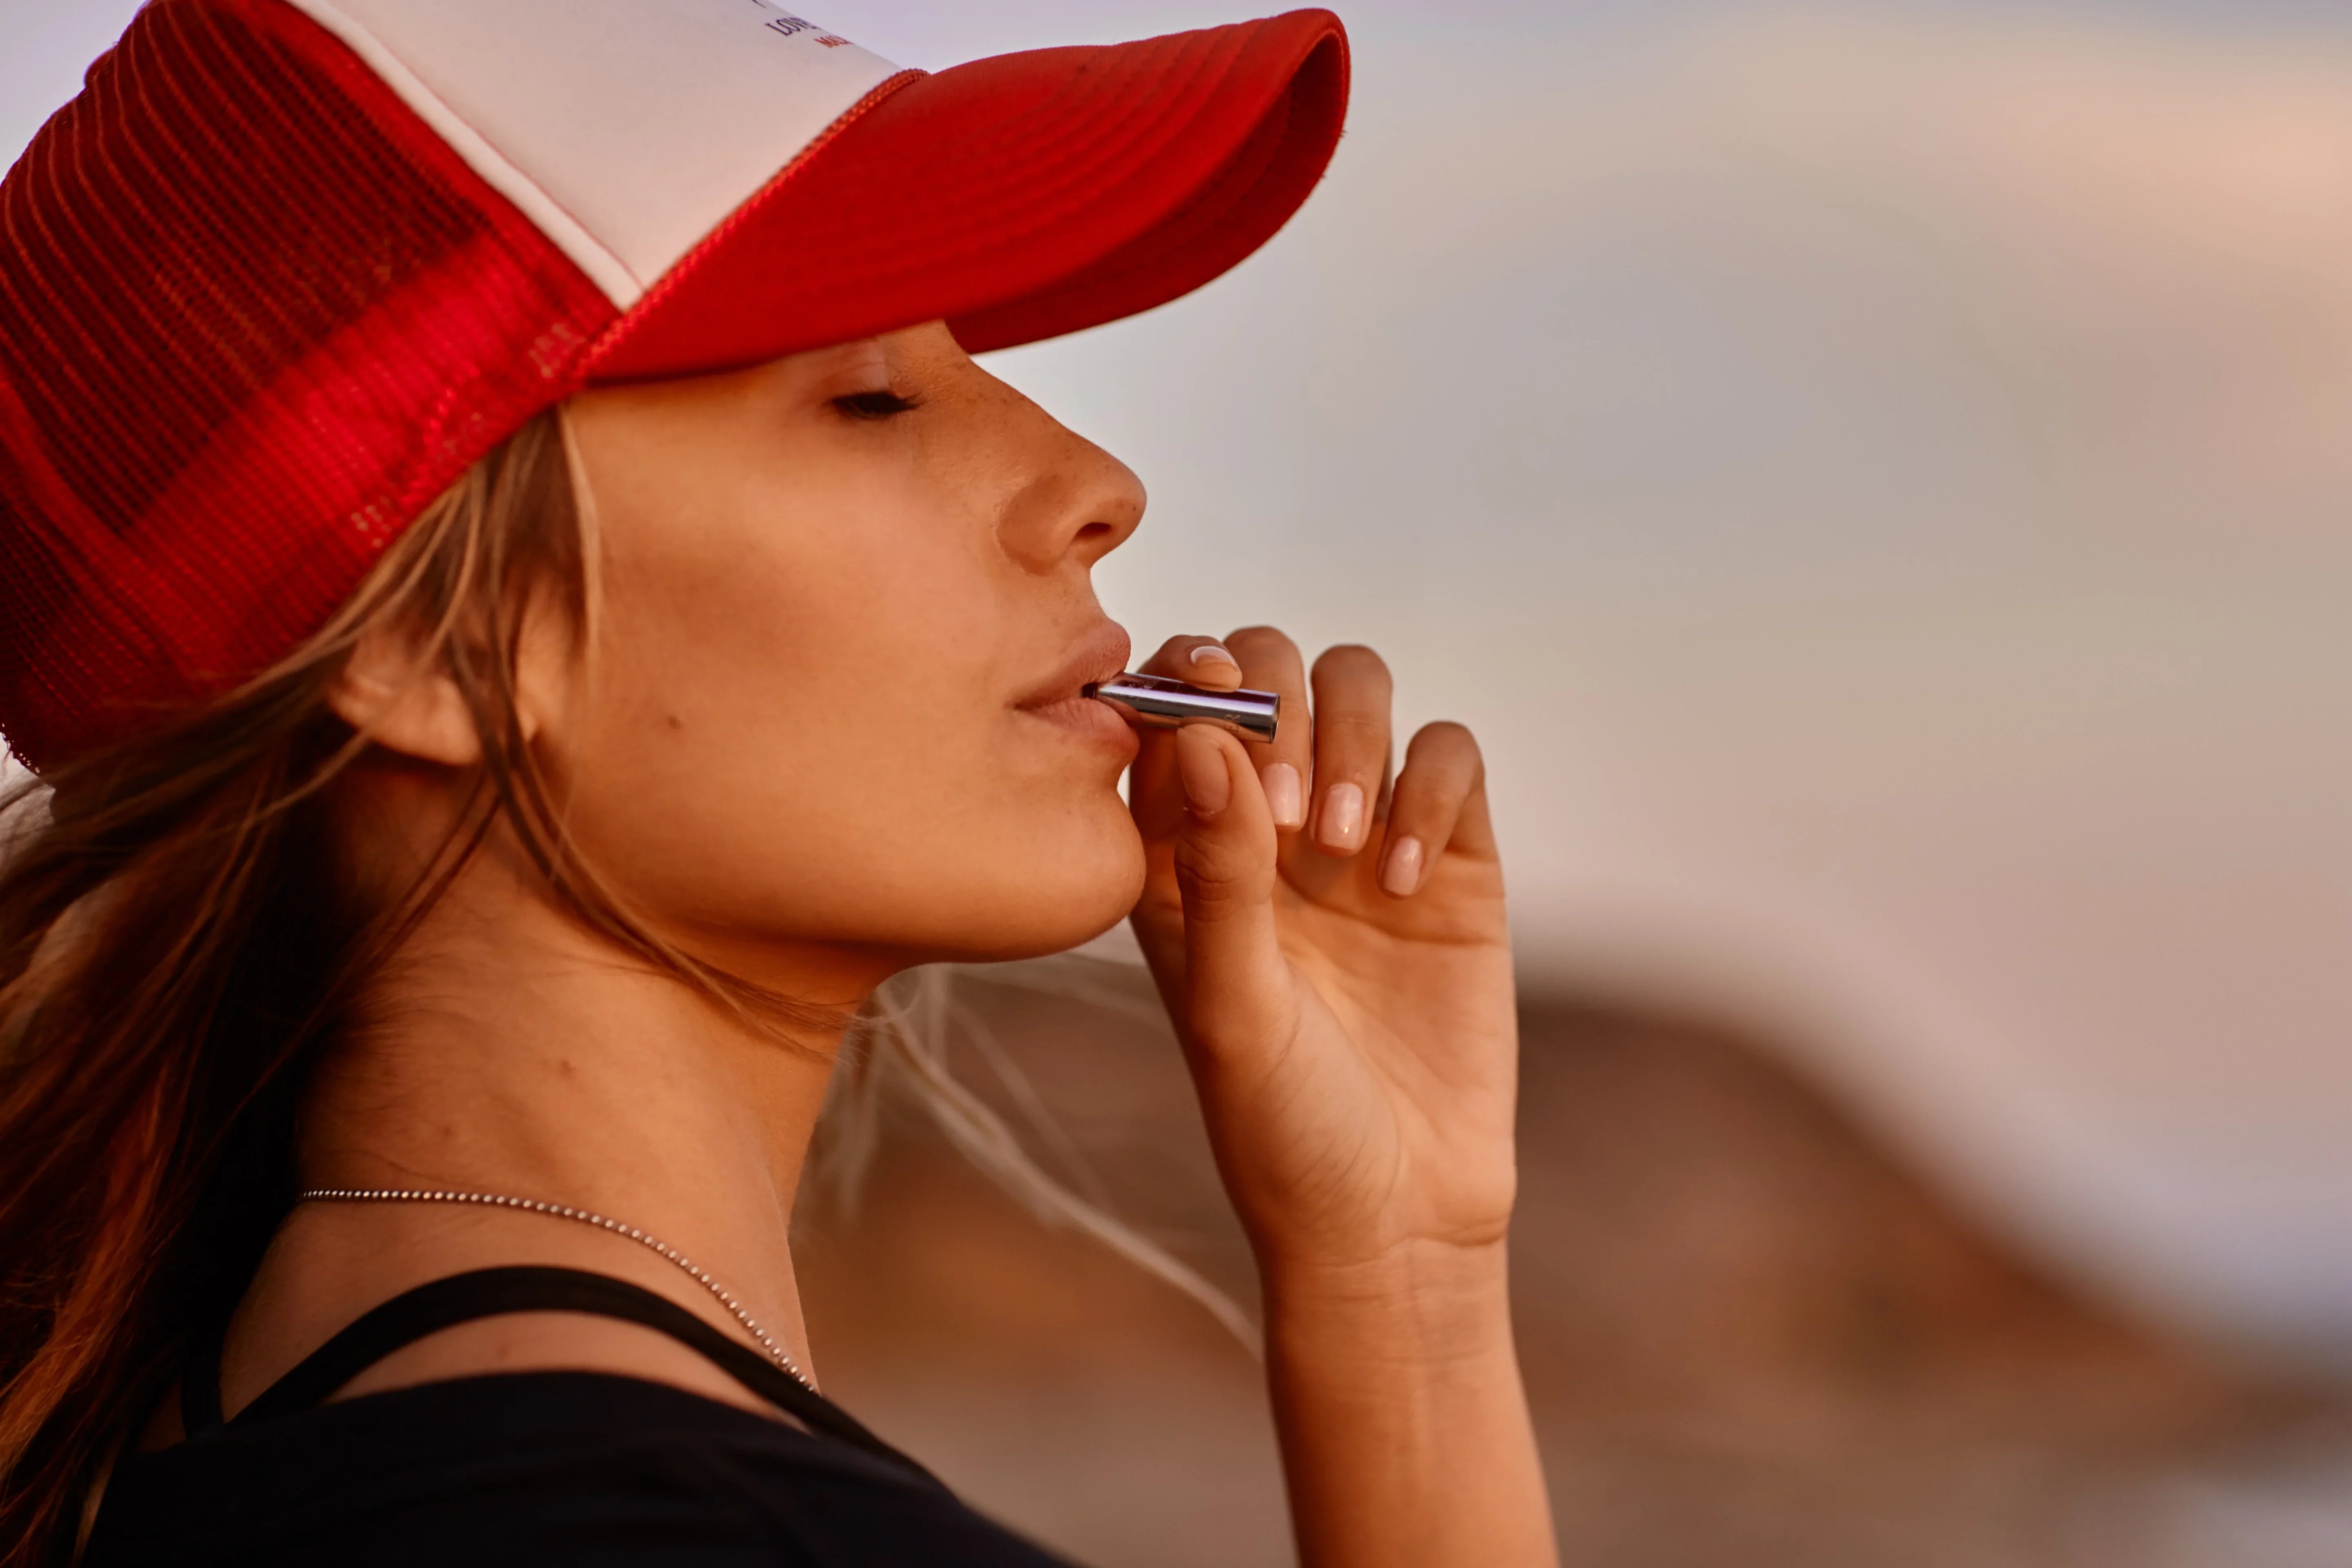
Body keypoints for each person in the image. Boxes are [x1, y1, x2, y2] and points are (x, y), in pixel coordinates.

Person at [0, 2, 1555, 1563]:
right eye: (872, 396)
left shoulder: (248, 1447)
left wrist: (1400, 1279)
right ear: (428, 644)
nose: (1098, 486)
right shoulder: (691, 1529)